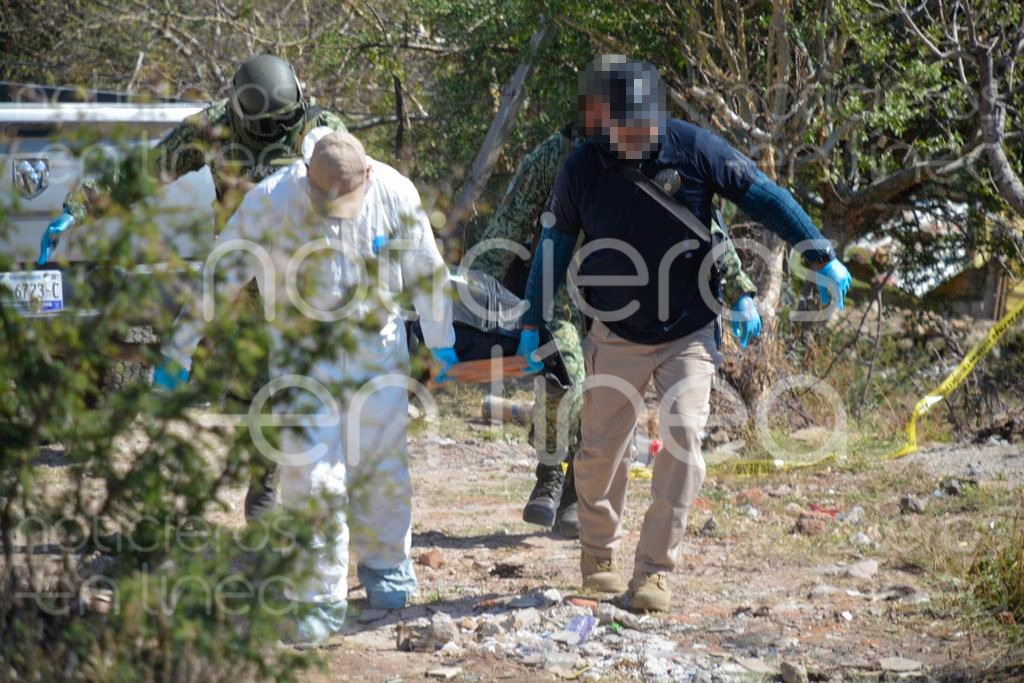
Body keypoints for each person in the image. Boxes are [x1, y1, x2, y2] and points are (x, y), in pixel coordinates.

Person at [516, 57, 851, 612]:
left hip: (689, 331)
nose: (634, 139)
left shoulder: (695, 148)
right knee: (600, 453)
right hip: (614, 331)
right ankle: (598, 555)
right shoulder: (583, 166)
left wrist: (818, 251)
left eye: (643, 129)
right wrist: (533, 323)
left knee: (683, 445)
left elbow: (762, 194)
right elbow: (554, 244)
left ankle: (653, 574)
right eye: (623, 130)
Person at [156, 128, 459, 643]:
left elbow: (427, 274)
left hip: (377, 357)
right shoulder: (273, 199)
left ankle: (387, 569)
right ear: (308, 183)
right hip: (302, 362)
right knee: (310, 480)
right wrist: (178, 347)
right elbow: (221, 272)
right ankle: (318, 597)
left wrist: (441, 341)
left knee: (383, 467)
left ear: (367, 175)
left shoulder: (395, 192)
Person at [40, 54, 349, 522]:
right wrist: (82, 203)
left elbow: (358, 180)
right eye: (265, 125)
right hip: (243, 277)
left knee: (315, 383)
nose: (277, 133)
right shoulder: (212, 128)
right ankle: (261, 485)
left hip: (309, 276)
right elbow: (146, 170)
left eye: (284, 122)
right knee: (252, 389)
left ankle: (321, 493)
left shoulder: (321, 127)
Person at [465, 59, 761, 539]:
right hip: (561, 289)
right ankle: (549, 470)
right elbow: (509, 225)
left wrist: (741, 287)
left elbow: (709, 231)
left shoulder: (663, 156)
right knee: (564, 375)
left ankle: (578, 493)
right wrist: (473, 299)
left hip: (627, 299)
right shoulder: (558, 156)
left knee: (607, 403)